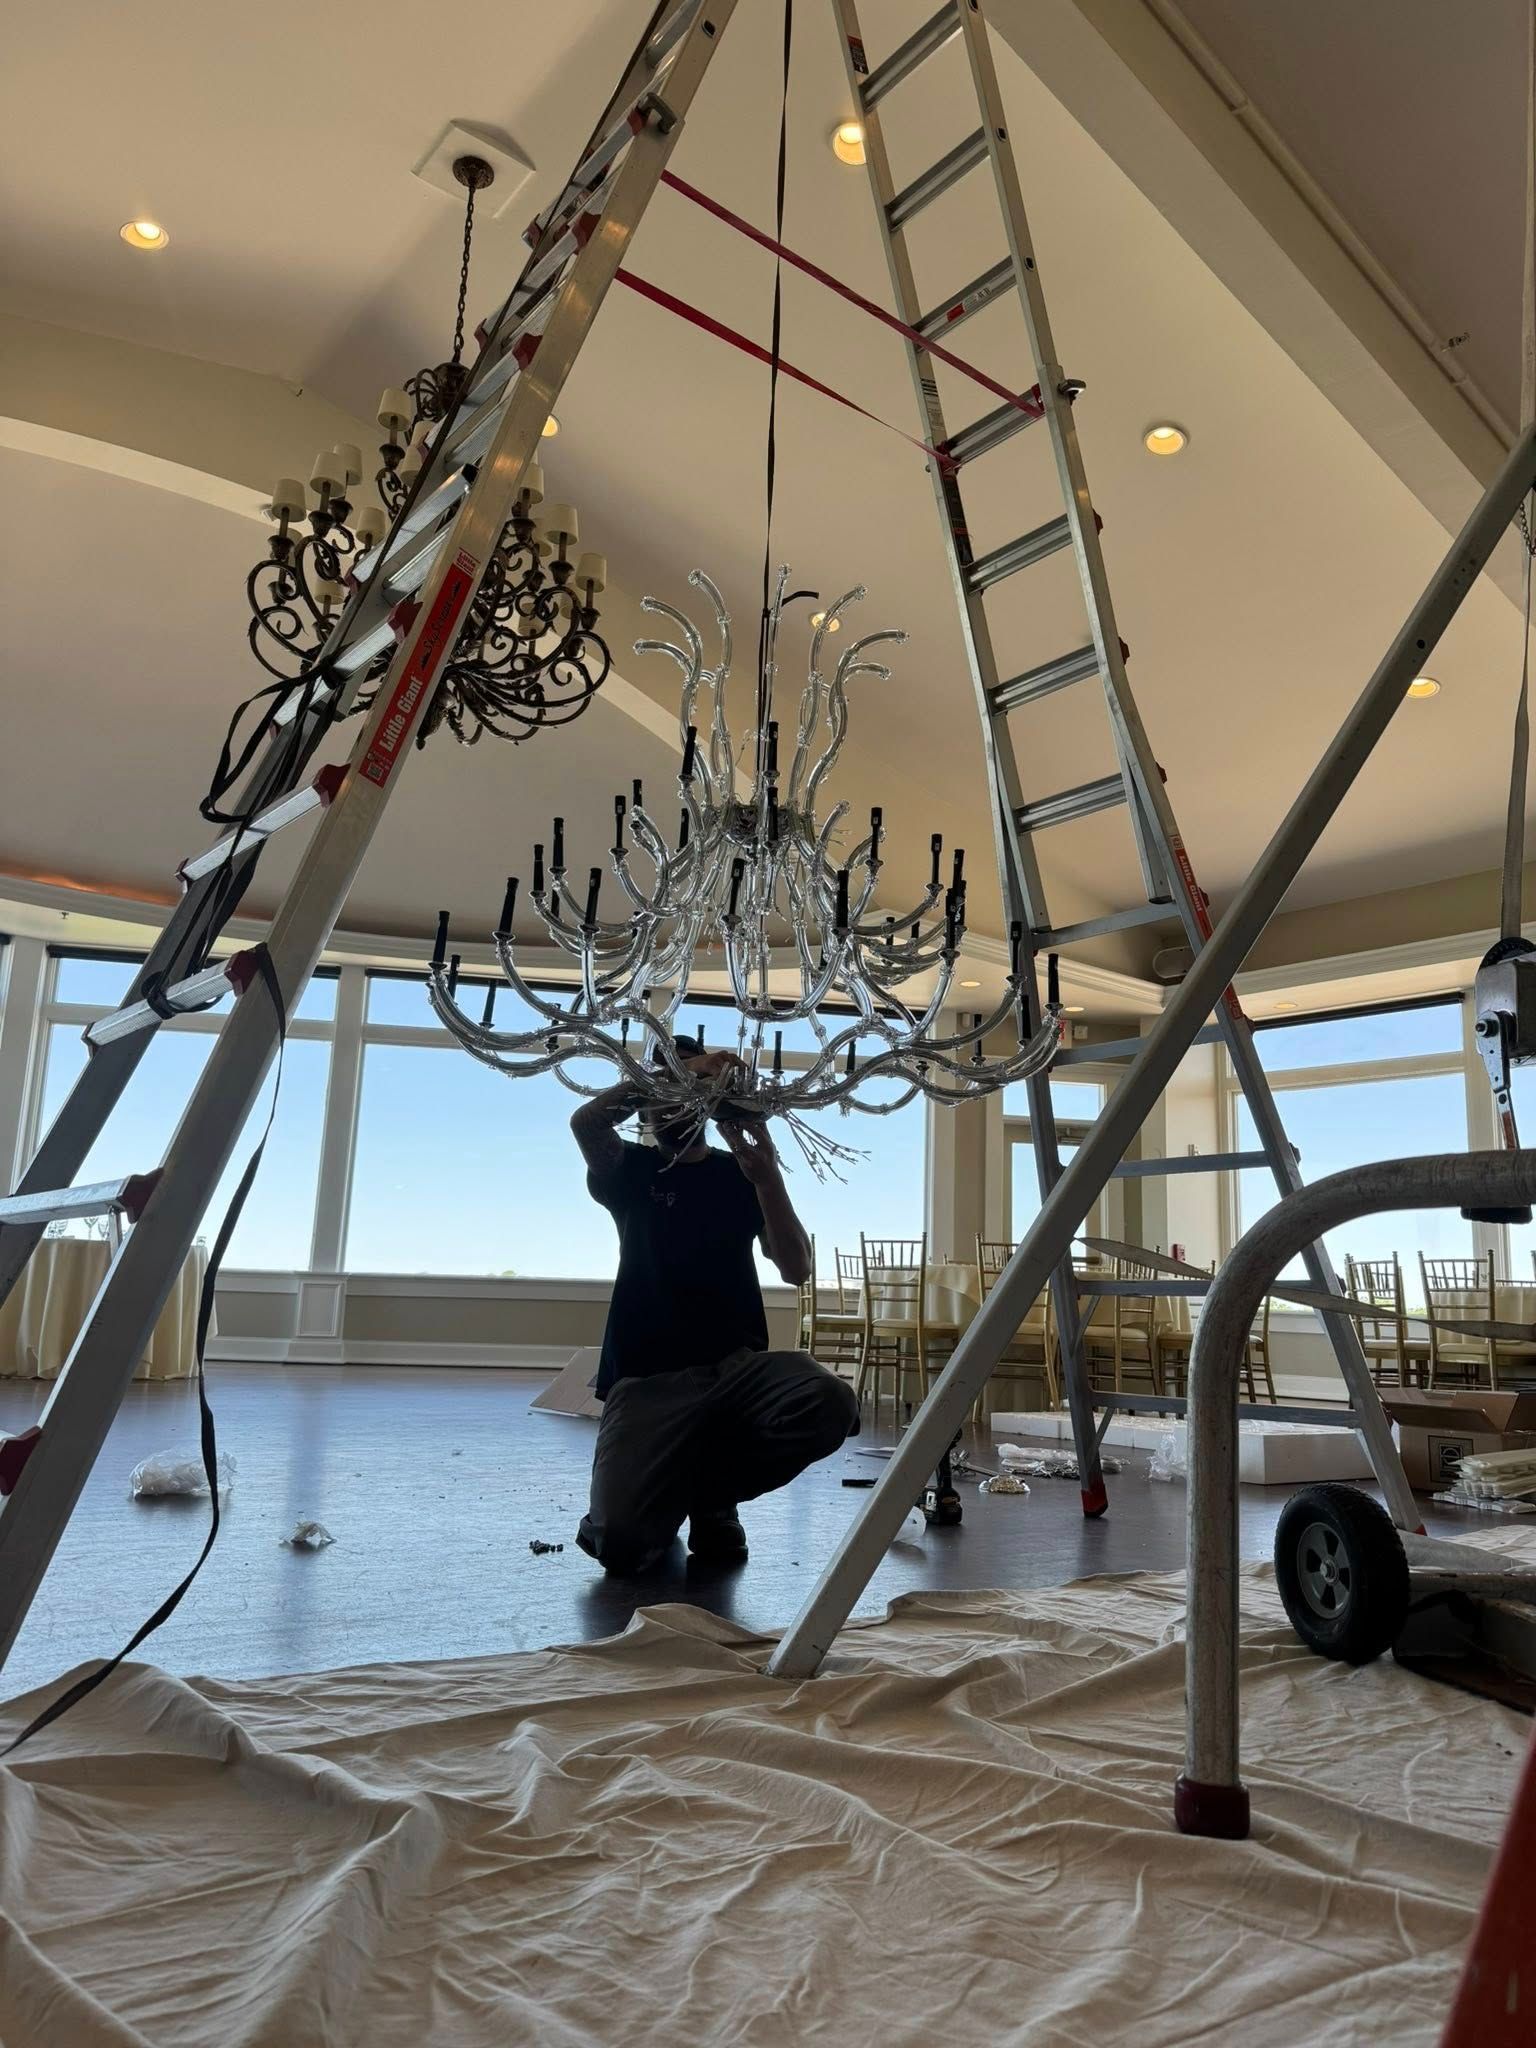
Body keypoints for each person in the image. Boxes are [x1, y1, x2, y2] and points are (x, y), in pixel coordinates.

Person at [570, 1038, 859, 1573]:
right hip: (645, 1381)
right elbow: (587, 1123)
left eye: (682, 1091)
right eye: (659, 1090)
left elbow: (795, 1269)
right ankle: (681, 1494)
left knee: (830, 1401)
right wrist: (681, 1070)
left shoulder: (740, 1173)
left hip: (738, 1372)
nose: (667, 1104)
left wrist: (768, 1176)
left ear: (705, 1102)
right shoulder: (627, 1170)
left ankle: (708, 1498)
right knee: (621, 1545)